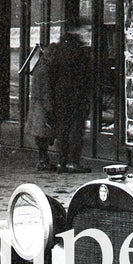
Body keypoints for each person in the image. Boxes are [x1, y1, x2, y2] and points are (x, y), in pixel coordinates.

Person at [48, 22, 93, 172]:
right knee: (76, 128)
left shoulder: (60, 48)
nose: (88, 33)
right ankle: (73, 162)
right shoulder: (79, 50)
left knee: (63, 128)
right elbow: (85, 74)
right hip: (76, 95)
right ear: (77, 30)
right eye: (87, 29)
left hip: (60, 95)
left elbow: (52, 74)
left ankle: (62, 161)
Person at [24, 45, 55, 170]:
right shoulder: (46, 70)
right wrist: (50, 109)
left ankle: (43, 160)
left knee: (40, 136)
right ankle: (43, 161)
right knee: (43, 135)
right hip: (42, 107)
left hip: (37, 106)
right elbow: (46, 92)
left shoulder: (39, 67)